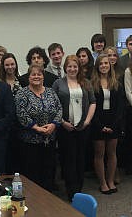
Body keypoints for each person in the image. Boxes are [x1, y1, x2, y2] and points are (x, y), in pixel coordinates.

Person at [52, 55, 95, 199]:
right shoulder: (58, 83)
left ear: (79, 68)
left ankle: (79, 189)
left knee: (80, 158)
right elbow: (54, 105)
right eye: (69, 66)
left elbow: (93, 102)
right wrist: (63, 122)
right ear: (65, 67)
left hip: (83, 127)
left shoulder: (86, 83)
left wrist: (87, 121)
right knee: (68, 159)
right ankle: (71, 190)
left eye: (75, 66)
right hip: (65, 127)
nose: (72, 69)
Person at [14, 64, 62, 191]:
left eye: (39, 74)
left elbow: (59, 109)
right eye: (33, 74)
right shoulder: (22, 93)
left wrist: (53, 125)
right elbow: (21, 113)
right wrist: (36, 127)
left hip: (49, 140)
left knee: (49, 171)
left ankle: (48, 199)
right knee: (32, 173)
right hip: (30, 141)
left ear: (43, 76)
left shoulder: (51, 92)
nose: (36, 76)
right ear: (28, 77)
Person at [90, 54, 126, 193]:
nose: (104, 66)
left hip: (113, 122)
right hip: (97, 122)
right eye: (101, 64)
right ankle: (103, 182)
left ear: (110, 65)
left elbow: (120, 107)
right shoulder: (91, 84)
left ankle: (111, 181)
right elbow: (91, 106)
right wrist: (100, 126)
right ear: (97, 66)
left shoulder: (116, 83)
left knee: (112, 153)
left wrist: (114, 124)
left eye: (106, 63)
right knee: (99, 153)